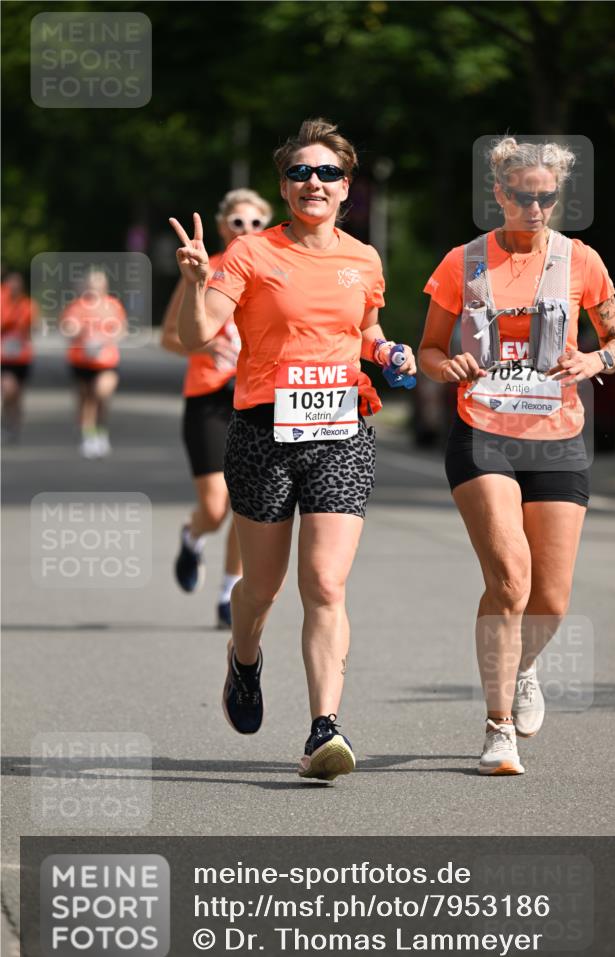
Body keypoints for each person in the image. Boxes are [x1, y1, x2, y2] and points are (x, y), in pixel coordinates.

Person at [169, 118, 416, 780]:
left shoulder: (363, 258)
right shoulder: (251, 255)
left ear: (346, 187)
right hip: (262, 434)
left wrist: (386, 349)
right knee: (263, 588)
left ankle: (322, 732)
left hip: (340, 433)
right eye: (301, 173)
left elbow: (364, 328)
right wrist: (196, 280)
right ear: (284, 187)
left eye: (327, 173)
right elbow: (200, 336)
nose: (314, 183)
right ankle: (243, 658)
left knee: (326, 583)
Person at [418, 137, 615, 776]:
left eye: (547, 197)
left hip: (559, 434)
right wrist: (445, 363)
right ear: (500, 195)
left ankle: (525, 669)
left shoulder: (580, 261)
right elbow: (428, 348)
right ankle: (497, 727)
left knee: (553, 598)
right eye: (523, 196)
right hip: (483, 431)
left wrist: (594, 359)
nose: (536, 207)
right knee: (510, 578)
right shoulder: (465, 261)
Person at [161, 189, 272, 628]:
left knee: (245, 503)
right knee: (214, 507)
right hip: (208, 397)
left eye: (256, 224)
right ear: (224, 226)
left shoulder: (274, 268)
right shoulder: (203, 266)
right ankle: (193, 537)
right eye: (238, 223)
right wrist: (206, 351)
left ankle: (229, 593)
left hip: (256, 395)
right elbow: (170, 336)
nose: (246, 231)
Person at [60, 269, 127, 458]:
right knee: (86, 399)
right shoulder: (77, 306)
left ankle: (102, 433)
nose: (95, 288)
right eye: (92, 284)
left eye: (99, 284)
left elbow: (121, 329)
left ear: (105, 286)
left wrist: (106, 339)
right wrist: (76, 330)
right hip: (81, 360)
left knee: (102, 393)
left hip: (106, 360)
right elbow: (67, 328)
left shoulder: (113, 305)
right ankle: (89, 436)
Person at [1, 272, 40, 443]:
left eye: (17, 284)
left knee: (17, 394)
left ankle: (14, 426)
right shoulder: (2, 302)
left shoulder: (28, 305)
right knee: (8, 390)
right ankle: (6, 423)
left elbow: (35, 328)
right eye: (11, 284)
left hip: (22, 356)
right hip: (4, 357)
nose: (14, 287)